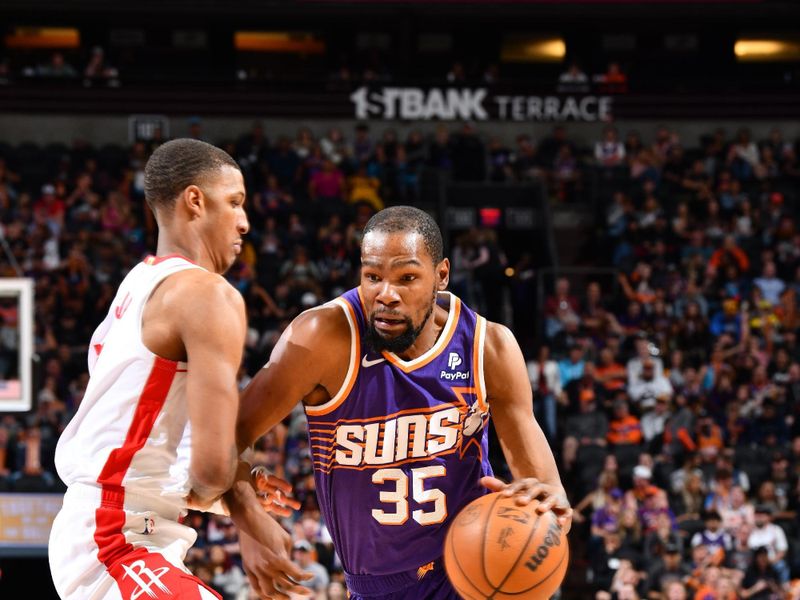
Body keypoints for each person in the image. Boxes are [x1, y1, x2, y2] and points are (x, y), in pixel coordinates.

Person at [236, 206, 572, 599]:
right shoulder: (322, 338)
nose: (387, 294)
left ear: (441, 275)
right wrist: (248, 522)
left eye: (407, 277)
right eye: (372, 277)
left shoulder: (488, 347)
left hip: (470, 569)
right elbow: (235, 432)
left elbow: (543, 484)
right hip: (378, 585)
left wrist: (553, 506)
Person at [48, 139, 306, 599]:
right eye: (235, 203)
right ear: (195, 200)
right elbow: (209, 471)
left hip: (118, 529)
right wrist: (249, 517)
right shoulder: (207, 294)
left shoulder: (140, 282)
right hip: (116, 539)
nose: (245, 222)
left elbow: (172, 467)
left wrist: (237, 488)